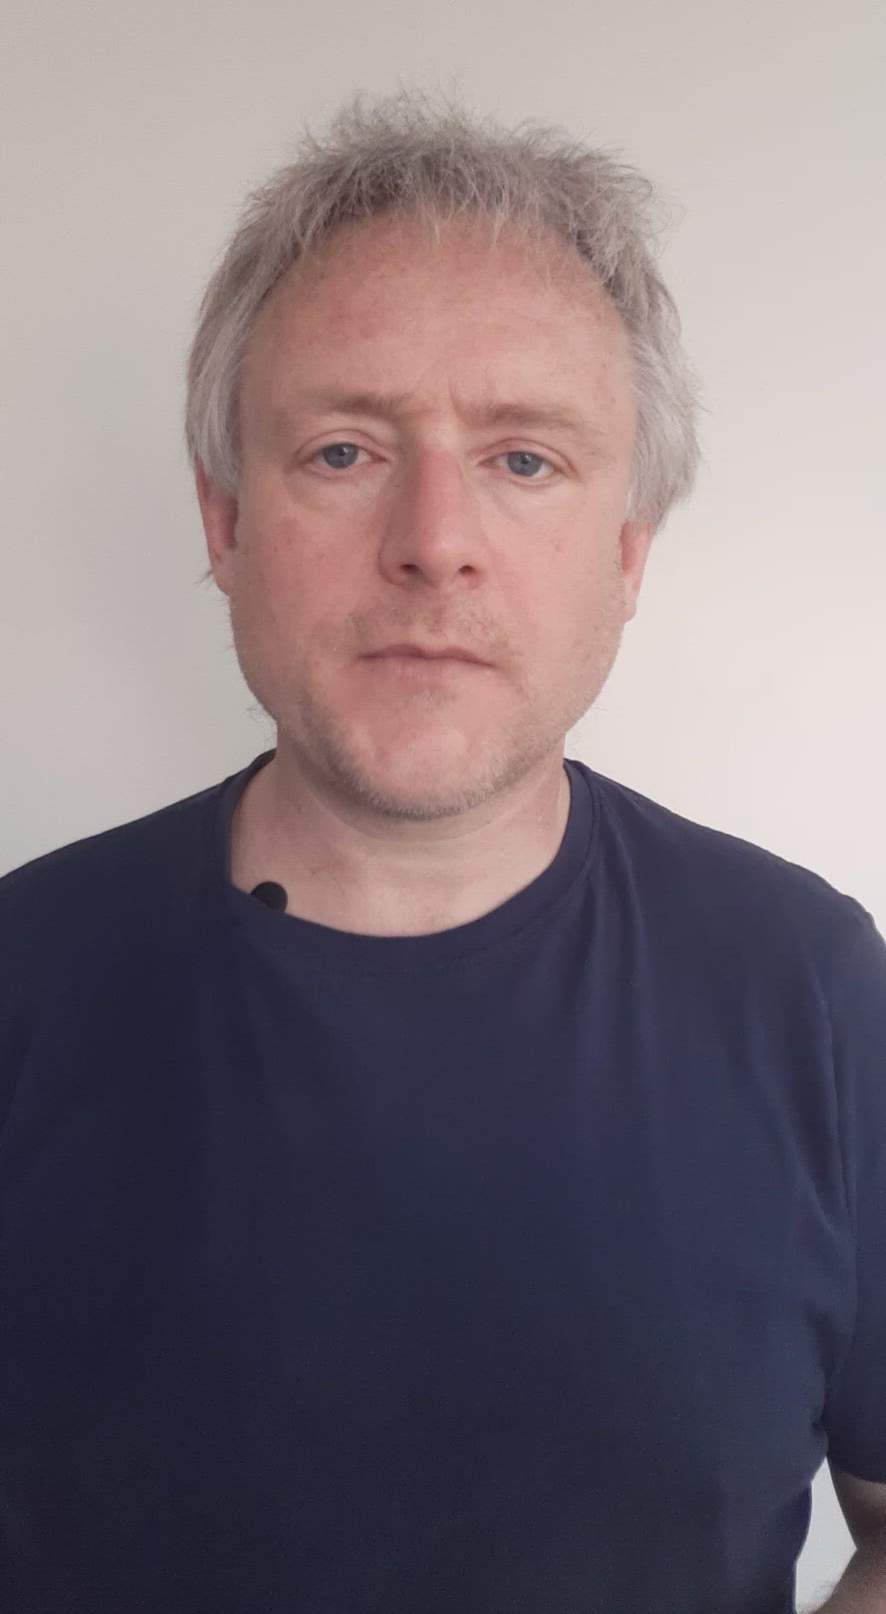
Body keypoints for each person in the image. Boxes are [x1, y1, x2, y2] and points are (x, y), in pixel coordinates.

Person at [1, 90, 884, 1614]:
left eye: (523, 460)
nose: (432, 539)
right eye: (343, 450)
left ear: (625, 553)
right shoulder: (24, 978)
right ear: (223, 523)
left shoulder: (805, 986)